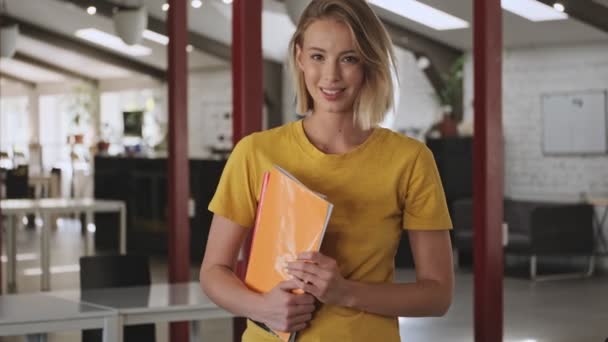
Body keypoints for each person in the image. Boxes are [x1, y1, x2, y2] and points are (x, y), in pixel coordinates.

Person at [199, 0, 454, 341]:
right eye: (318, 56)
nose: (331, 76)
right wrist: (261, 308)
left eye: (348, 58)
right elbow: (213, 272)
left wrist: (345, 292)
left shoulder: (410, 160)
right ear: (300, 58)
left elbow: (437, 295)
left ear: (368, 63)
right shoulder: (255, 152)